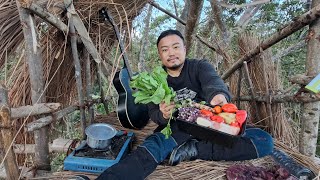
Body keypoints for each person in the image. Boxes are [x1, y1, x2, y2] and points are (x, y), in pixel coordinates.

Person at [96, 29, 274, 180]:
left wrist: (218, 96)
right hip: (175, 129)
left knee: (264, 141)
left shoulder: (199, 67)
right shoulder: (154, 80)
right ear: (160, 54)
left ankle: (193, 149)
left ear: (184, 49)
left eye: (175, 47)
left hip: (209, 126)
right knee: (149, 150)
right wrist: (163, 114)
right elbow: (153, 114)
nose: (171, 53)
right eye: (165, 49)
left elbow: (213, 82)